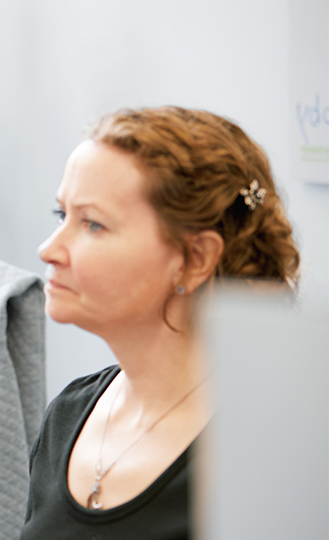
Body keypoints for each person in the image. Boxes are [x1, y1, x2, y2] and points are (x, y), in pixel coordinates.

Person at [21, 106, 299, 538]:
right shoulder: (67, 415)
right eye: (62, 216)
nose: (48, 249)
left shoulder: (267, 456)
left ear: (195, 258)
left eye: (93, 224)